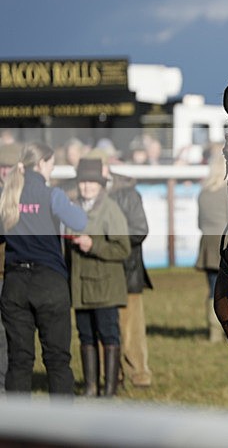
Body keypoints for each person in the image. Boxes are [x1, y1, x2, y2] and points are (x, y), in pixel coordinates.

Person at [0, 142, 88, 396]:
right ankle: (61, 426)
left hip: (15, 283)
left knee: (19, 360)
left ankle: (16, 427)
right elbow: (79, 221)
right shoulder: (52, 195)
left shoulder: (8, 196)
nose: (51, 170)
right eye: (51, 164)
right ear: (40, 164)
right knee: (57, 359)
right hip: (49, 282)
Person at [66, 158, 131, 397]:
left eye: (91, 182)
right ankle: (91, 387)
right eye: (83, 182)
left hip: (105, 289)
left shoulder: (110, 209)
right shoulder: (71, 207)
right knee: (85, 337)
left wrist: (94, 245)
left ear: (100, 184)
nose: (86, 187)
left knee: (108, 336)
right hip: (80, 287)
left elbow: (123, 248)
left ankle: (110, 390)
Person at [95, 150, 154, 388]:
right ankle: (110, 376)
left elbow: (140, 229)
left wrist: (109, 244)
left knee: (131, 330)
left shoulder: (128, 193)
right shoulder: (84, 192)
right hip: (99, 273)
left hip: (127, 271)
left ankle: (139, 375)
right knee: (102, 328)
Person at [196, 143, 228, 343]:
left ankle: (213, 332)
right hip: (226, 243)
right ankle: (226, 329)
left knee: (212, 289)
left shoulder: (203, 192)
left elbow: (199, 222)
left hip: (207, 243)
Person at [0, 141, 23, 394]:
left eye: (9, 167)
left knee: (13, 336)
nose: (4, 172)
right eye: (1, 167)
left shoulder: (25, 197)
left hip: (16, 275)